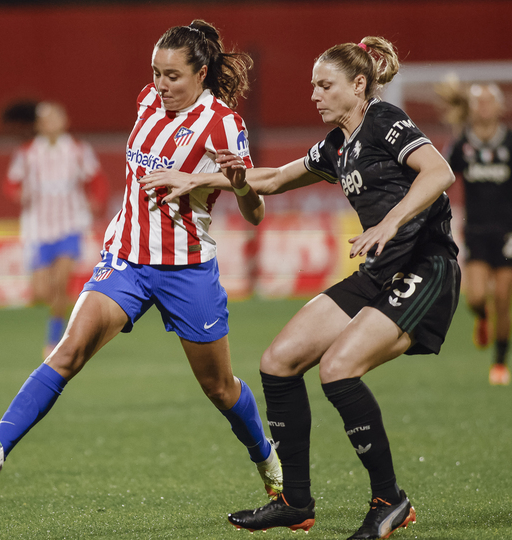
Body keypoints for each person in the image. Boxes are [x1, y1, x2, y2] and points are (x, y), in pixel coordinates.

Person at [142, 37, 460, 539]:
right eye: (313, 84)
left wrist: (390, 223)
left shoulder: (382, 120)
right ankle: (295, 502)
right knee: (278, 362)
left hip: (425, 268)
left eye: (325, 85)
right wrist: (210, 178)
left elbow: (438, 171)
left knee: (338, 371)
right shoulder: (338, 144)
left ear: (359, 86)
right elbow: (269, 180)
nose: (314, 94)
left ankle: (390, 500)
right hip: (378, 272)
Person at [0, 20, 283, 503]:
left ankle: (266, 458)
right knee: (67, 352)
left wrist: (236, 183)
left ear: (201, 73)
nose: (161, 85)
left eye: (172, 75)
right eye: (155, 73)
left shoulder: (224, 125)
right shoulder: (147, 101)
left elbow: (254, 213)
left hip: (187, 269)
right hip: (125, 258)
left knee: (219, 388)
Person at [436, 78, 512, 385]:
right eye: (478, 102)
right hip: (475, 231)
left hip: (509, 231)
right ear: (470, 108)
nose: (483, 107)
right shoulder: (461, 144)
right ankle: (482, 319)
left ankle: (499, 363)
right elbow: (442, 176)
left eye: (488, 101)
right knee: (474, 298)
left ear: (499, 107)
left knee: (502, 297)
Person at [2, 100, 108, 358]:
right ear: (39, 125)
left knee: (61, 282)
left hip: (70, 225)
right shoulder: (27, 153)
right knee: (41, 291)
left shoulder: (78, 150)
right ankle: (59, 319)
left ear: (65, 122)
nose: (52, 124)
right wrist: (17, 194)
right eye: (47, 120)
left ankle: (54, 339)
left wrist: (97, 200)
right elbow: (10, 183)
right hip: (38, 229)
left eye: (56, 118)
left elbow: (97, 179)